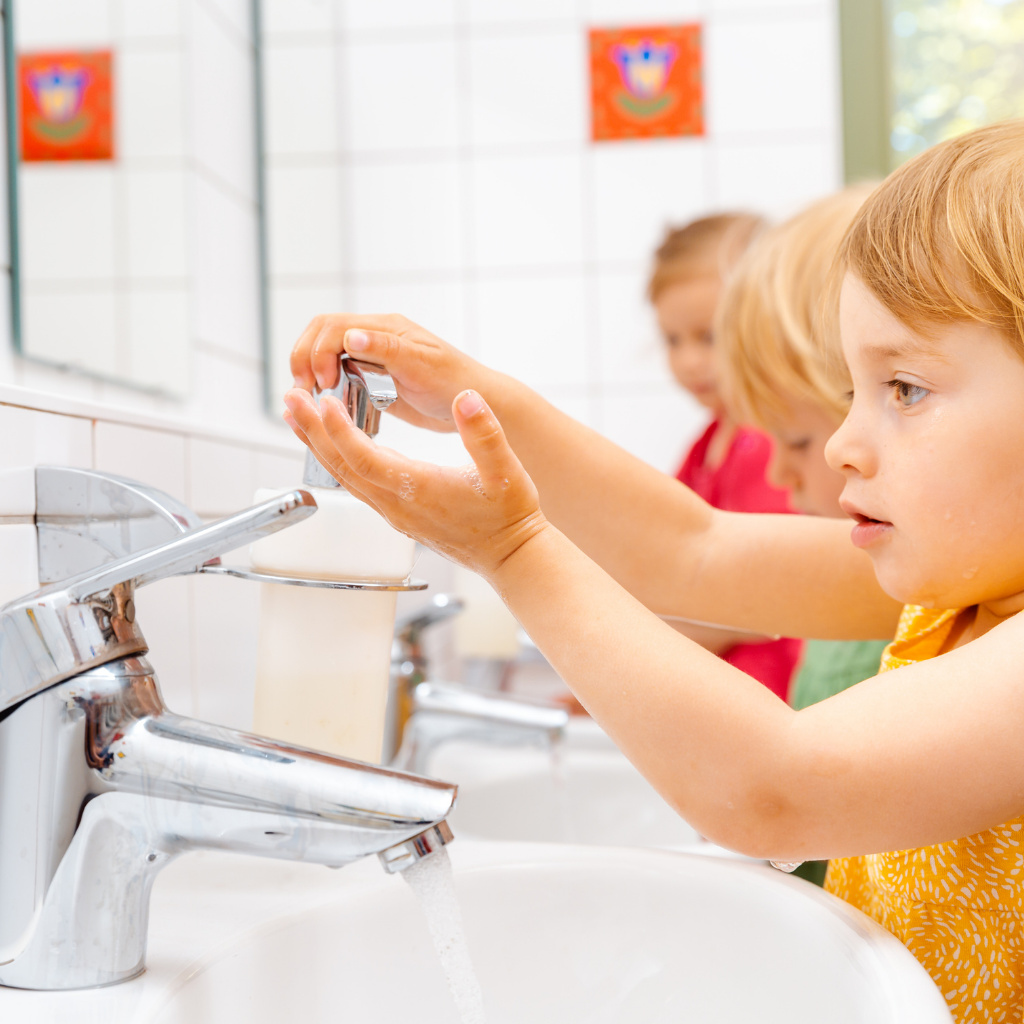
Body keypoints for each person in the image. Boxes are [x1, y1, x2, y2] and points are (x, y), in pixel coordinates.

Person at [284, 120, 1024, 1023]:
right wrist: (476, 396)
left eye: (904, 389)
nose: (842, 444)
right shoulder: (956, 590)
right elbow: (692, 549)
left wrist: (512, 549)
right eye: (851, 394)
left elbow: (775, 789)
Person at [715, 184, 888, 886]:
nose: (781, 476)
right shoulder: (870, 567)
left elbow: (784, 794)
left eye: (793, 439)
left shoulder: (917, 586)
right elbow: (689, 547)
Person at [650, 214, 802, 700]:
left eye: (708, 337)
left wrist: (646, 641)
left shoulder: (771, 442)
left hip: (774, 695)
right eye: (673, 340)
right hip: (729, 696)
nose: (688, 361)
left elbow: (767, 599)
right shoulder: (709, 441)